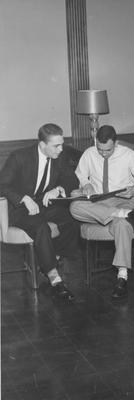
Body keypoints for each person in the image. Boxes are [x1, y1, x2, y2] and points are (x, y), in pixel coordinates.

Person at [70, 125, 134, 299]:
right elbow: (79, 174)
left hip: (124, 200)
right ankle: (122, 214)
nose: (103, 154)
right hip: (99, 203)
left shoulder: (130, 155)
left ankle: (122, 276)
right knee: (74, 207)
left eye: (107, 150)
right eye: (100, 150)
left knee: (122, 226)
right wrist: (85, 183)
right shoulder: (89, 153)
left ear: (115, 143)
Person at [0, 123, 80, 301]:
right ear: (43, 145)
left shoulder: (59, 156)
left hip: (43, 206)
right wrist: (23, 198)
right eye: (56, 146)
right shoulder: (19, 157)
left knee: (72, 219)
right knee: (41, 228)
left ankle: (51, 259)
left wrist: (59, 188)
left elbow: (72, 180)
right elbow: (2, 185)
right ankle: (54, 277)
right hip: (20, 210)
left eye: (62, 144)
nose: (61, 149)